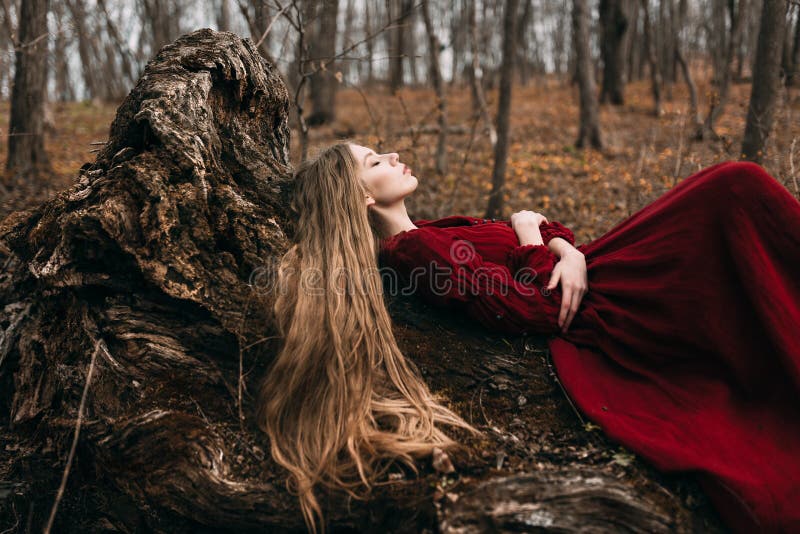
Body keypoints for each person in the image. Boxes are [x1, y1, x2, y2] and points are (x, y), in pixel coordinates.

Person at [258, 141, 800, 534]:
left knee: (736, 193)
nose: (393, 155)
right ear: (362, 202)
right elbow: (534, 307)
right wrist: (533, 238)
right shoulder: (414, 253)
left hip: (599, 267)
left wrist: (567, 250)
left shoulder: (435, 231)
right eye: (375, 162)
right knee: (735, 192)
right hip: (606, 306)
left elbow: (545, 228)